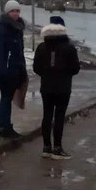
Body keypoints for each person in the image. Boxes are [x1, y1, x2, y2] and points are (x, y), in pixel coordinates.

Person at [33, 15, 80, 160]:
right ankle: (57, 148)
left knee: (47, 115)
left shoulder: (42, 47)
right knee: (59, 117)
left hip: (46, 87)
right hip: (63, 87)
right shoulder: (69, 48)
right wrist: (64, 74)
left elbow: (36, 68)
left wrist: (47, 74)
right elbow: (75, 68)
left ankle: (46, 147)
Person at [0, 0, 27, 139]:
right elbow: (1, 52)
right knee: (6, 99)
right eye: (12, 11)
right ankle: (5, 128)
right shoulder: (4, 28)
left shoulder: (17, 28)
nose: (15, 13)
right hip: (7, 71)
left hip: (15, 69)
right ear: (7, 12)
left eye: (17, 11)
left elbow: (19, 52)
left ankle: (6, 126)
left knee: (7, 99)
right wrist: (3, 72)